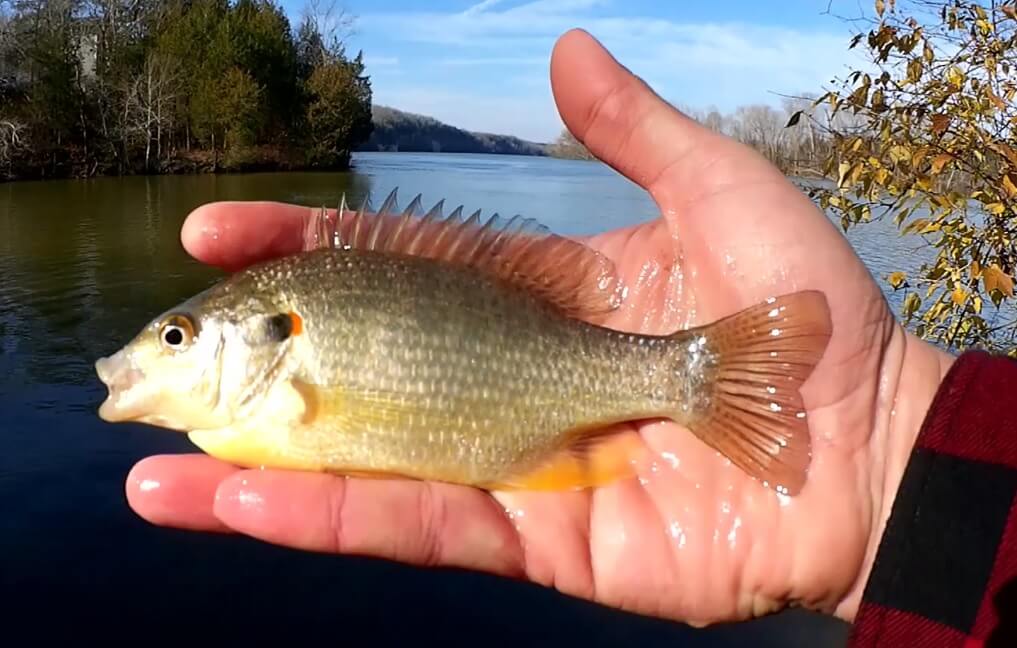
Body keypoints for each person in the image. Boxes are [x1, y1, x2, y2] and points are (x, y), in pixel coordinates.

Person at [122, 29, 1017, 646]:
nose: (150, 354)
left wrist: (888, 437)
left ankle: (708, 382)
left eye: (175, 336)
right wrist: (904, 464)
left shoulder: (283, 356)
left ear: (261, 340)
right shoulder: (267, 351)